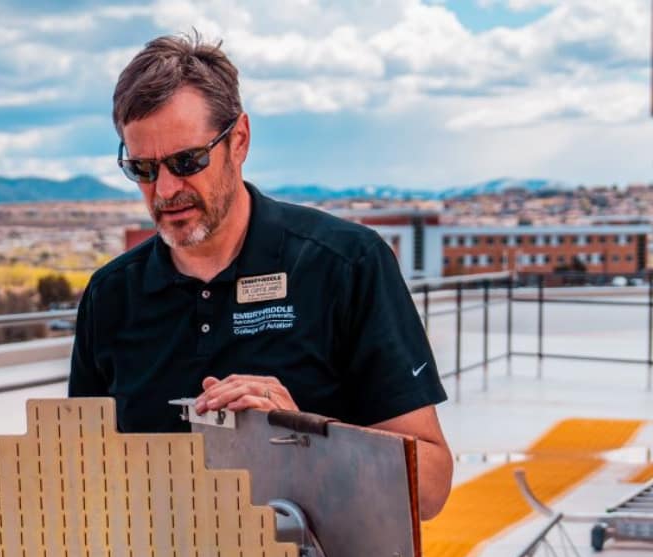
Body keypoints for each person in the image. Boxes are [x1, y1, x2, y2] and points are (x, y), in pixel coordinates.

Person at [69, 32, 453, 520]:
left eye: (187, 162)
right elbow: (80, 479)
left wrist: (305, 433)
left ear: (240, 141)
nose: (165, 189)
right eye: (142, 169)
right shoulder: (111, 297)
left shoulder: (346, 265)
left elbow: (432, 486)